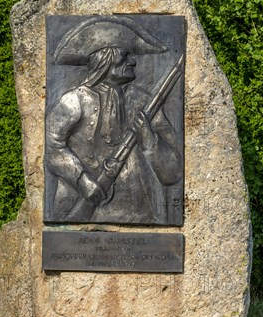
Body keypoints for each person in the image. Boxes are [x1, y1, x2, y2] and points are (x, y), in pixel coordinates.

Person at [44, 16, 181, 224]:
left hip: (140, 210)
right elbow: (52, 148)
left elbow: (173, 173)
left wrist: (149, 140)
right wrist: (82, 181)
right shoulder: (74, 100)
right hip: (84, 201)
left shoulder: (144, 101)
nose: (133, 61)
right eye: (125, 56)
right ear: (105, 59)